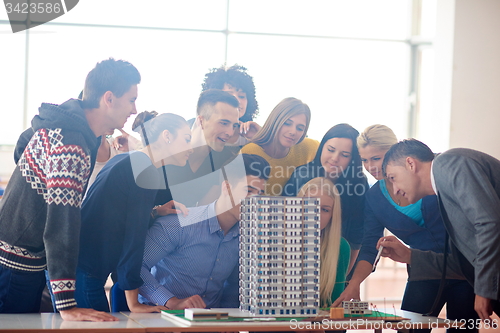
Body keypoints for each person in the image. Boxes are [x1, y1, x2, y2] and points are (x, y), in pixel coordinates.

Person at [0, 58, 140, 321]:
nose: (134, 109)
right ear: (108, 98)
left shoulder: (66, 125)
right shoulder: (72, 144)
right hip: (15, 264)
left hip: (19, 256)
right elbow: (61, 222)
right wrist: (67, 305)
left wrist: (29, 197)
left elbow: (22, 145)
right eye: (131, 99)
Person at [333, 125, 477, 332]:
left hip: (465, 268)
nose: (370, 167)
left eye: (376, 158)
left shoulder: (431, 178)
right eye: (364, 160)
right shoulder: (374, 198)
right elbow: (369, 245)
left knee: (464, 329)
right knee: (409, 329)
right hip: (423, 270)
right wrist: (354, 283)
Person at [76, 111, 192, 313]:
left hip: (75, 265)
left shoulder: (128, 159)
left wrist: (156, 212)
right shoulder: (146, 171)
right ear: (167, 136)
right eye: (187, 139)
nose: (191, 148)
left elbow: (114, 217)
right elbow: (133, 240)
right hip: (84, 271)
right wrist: (134, 303)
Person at [379, 139, 500, 320]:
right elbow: (464, 264)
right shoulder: (444, 193)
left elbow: (490, 223)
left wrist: (483, 290)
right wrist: (410, 256)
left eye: (393, 178)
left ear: (410, 164)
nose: (394, 190)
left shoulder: (449, 163)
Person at [138, 154, 269, 309]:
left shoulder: (247, 236)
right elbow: (137, 268)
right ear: (227, 188)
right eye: (248, 191)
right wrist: (172, 302)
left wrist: (230, 319)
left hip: (210, 322)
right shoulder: (179, 224)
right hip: (161, 316)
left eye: (260, 194)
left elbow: (235, 285)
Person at [285, 124, 368, 268]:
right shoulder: (301, 175)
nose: (335, 158)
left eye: (345, 155)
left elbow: (357, 234)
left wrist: (346, 275)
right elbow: (283, 216)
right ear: (322, 147)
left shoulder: (358, 183)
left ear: (353, 159)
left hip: (338, 259)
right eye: (330, 150)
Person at [154, 89, 240, 209]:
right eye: (224, 123)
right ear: (201, 121)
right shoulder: (169, 150)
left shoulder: (221, 160)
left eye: (234, 125)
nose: (230, 132)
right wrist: (156, 211)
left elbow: (202, 213)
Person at [241, 97, 319, 196]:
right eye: (287, 123)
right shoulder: (250, 151)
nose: (293, 132)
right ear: (275, 121)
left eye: (300, 128)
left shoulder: (308, 146)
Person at [297, 177, 349, 307]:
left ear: (332, 215)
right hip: (277, 324)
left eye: (324, 210)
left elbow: (333, 304)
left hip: (321, 324)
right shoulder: (274, 241)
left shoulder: (340, 247)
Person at [201, 64, 261, 145]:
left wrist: (260, 137)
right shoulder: (198, 128)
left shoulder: (251, 134)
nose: (237, 101)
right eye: (228, 95)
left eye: (241, 96)